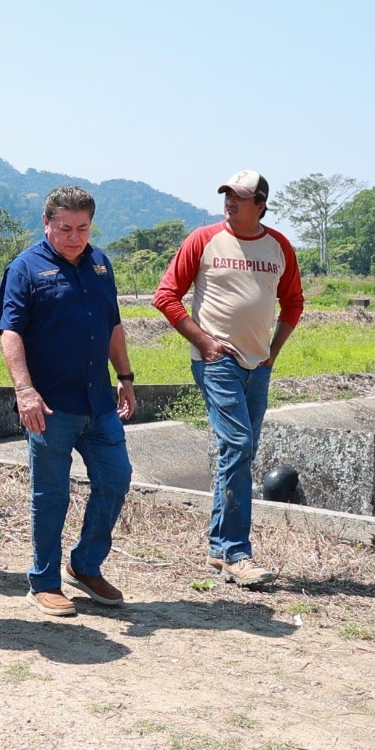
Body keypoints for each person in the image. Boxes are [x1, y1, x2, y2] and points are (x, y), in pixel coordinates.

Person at [0, 185, 138, 616]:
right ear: (46, 223)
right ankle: (45, 581)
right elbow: (10, 331)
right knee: (50, 494)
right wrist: (24, 390)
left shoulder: (100, 265)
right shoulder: (25, 268)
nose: (75, 237)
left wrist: (125, 377)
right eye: (65, 228)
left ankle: (85, 564)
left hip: (98, 403)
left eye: (83, 228)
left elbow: (113, 325)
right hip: (50, 406)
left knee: (115, 479)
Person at [152, 171, 305, 587]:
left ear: (260, 204)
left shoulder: (279, 247)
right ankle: (236, 551)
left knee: (238, 452)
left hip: (259, 366)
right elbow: (166, 296)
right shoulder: (203, 240)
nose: (230, 203)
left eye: (240, 197)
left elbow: (293, 302)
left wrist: (273, 352)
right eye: (227, 196)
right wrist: (203, 341)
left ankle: (220, 549)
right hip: (217, 360)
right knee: (238, 444)